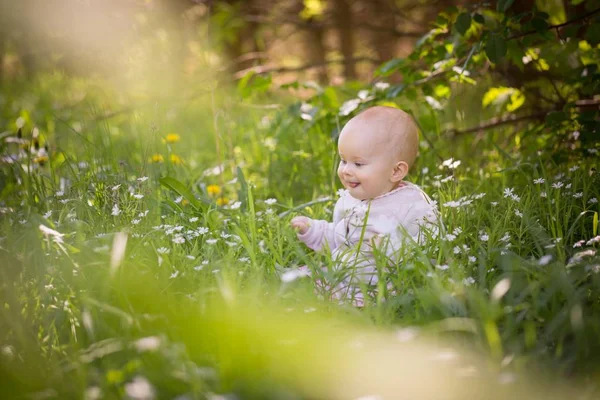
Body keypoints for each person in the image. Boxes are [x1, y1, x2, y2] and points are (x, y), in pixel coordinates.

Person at [290, 105, 439, 305]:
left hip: (382, 282)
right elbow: (341, 236)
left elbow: (428, 246)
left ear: (395, 171)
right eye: (343, 161)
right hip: (344, 273)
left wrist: (389, 248)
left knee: (355, 299)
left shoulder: (412, 206)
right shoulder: (352, 199)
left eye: (358, 164)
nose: (346, 171)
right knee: (299, 280)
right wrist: (313, 230)